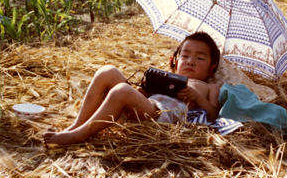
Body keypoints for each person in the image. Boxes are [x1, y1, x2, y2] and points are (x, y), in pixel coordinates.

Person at [43, 32, 221, 145]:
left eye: (200, 58)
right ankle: (77, 124)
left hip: (160, 116)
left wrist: (197, 98)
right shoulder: (167, 78)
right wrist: (143, 92)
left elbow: (214, 115)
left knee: (122, 90)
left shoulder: (209, 87)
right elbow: (145, 96)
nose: (190, 61)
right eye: (185, 55)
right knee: (108, 71)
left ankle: (81, 134)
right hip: (147, 105)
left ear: (211, 69)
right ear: (174, 61)